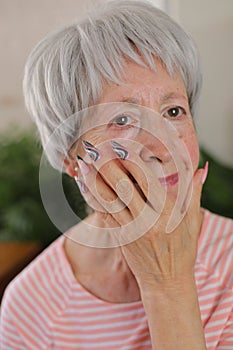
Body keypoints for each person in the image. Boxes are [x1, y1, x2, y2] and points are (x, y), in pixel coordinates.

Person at [1, 1, 233, 349]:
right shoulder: (31, 305)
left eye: (173, 111)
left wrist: (167, 287)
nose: (165, 148)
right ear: (72, 158)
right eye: (123, 120)